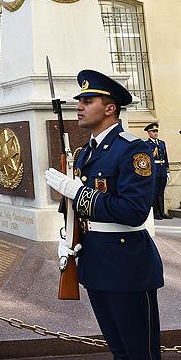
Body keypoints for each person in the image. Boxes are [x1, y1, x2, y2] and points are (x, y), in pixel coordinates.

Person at [45, 69, 163, 359]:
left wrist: (78, 192)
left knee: (140, 353)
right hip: (95, 263)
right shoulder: (86, 153)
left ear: (110, 108)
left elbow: (133, 211)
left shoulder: (133, 150)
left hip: (126, 267)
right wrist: (70, 236)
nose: (79, 106)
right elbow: (76, 208)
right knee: (119, 350)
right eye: (79, 100)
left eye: (88, 100)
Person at [144, 122, 172, 220]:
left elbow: (166, 157)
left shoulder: (161, 143)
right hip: (154, 169)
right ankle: (156, 213)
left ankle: (162, 212)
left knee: (161, 191)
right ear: (149, 133)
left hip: (162, 169)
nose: (156, 133)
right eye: (153, 131)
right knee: (154, 191)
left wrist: (167, 170)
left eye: (157, 131)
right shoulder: (146, 144)